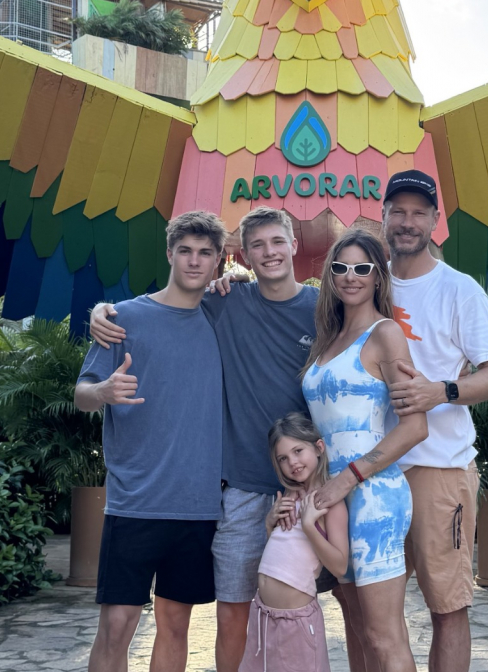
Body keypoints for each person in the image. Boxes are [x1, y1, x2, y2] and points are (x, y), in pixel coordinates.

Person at [89, 206, 322, 672]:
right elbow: (157, 312)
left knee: (301, 612)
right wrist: (99, 320)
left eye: (277, 241)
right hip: (212, 494)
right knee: (182, 619)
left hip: (299, 490)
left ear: (293, 244)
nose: (269, 252)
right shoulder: (213, 302)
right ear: (244, 256)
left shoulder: (318, 310)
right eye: (257, 245)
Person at [74, 210, 226, 672]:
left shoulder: (224, 315)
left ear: (219, 261)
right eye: (185, 251)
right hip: (134, 502)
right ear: (169, 254)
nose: (194, 261)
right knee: (117, 626)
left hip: (198, 506)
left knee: (175, 627)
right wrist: (102, 392)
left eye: (205, 253)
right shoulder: (125, 318)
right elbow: (81, 395)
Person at [382, 170, 488, 672]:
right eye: (399, 211)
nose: (408, 221)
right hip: (374, 469)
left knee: (448, 606)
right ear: (384, 217)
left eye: (419, 212)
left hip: (440, 470)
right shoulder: (363, 283)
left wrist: (443, 391)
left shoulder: (460, 290)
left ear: (436, 220)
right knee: (372, 608)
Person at [303, 228, 429, 672]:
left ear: (378, 276)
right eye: (340, 267)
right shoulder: (329, 336)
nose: (350, 276)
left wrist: (347, 478)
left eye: (362, 268)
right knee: (357, 627)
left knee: (382, 635)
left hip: (373, 496)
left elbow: (415, 426)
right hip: (334, 501)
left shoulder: (386, 333)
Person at [239, 413, 349, 672]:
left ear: (318, 448)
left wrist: (310, 526)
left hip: (296, 623)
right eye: (283, 458)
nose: (293, 462)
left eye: (298, 451)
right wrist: (269, 525)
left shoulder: (329, 503)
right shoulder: (290, 495)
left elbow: (340, 566)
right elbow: (283, 555)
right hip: (263, 616)